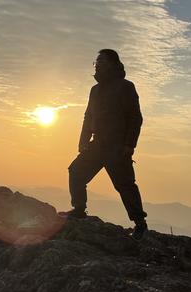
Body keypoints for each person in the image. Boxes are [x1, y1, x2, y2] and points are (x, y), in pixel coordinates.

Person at [59, 49, 148, 240]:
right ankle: (79, 209)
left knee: (125, 185)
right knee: (76, 171)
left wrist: (129, 145)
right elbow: (88, 116)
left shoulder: (125, 87)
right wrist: (83, 140)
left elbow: (135, 118)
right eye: (96, 62)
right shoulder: (95, 90)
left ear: (114, 64)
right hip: (97, 144)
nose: (97, 64)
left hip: (117, 146)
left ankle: (140, 224)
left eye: (101, 61)